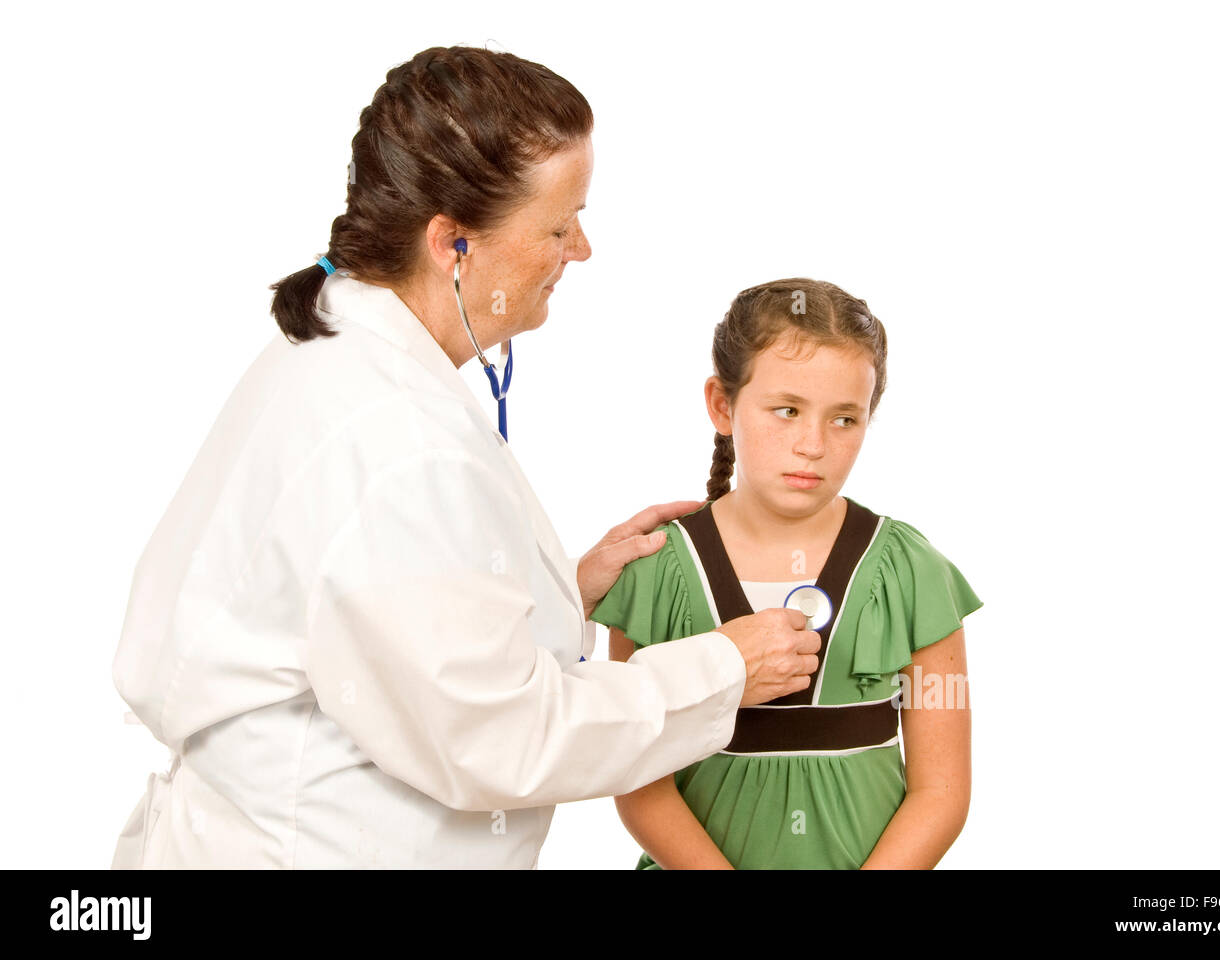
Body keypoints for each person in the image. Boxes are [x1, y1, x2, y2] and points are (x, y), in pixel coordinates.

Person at [109, 46, 820, 869]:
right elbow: (499, 739)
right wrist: (724, 669)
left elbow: (373, 614)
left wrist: (557, 592)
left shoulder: (338, 345)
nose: (580, 249)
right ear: (453, 245)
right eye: (558, 225)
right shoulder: (394, 437)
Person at [592, 278, 984, 869]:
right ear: (723, 405)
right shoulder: (657, 572)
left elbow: (943, 792)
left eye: (844, 420)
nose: (812, 445)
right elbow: (640, 784)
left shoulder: (911, 571)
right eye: (787, 410)